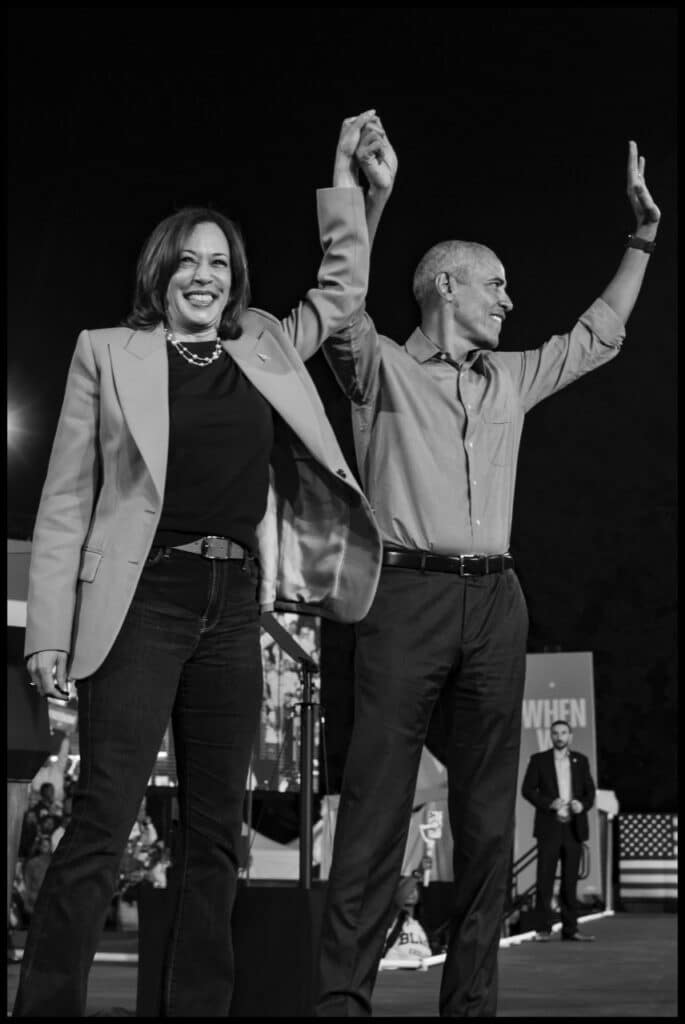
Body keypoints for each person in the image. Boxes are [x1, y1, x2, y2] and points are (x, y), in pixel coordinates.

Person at [13, 110, 385, 1018]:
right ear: (162, 274)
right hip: (142, 597)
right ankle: (45, 1005)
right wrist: (47, 633)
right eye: (191, 262)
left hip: (234, 602)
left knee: (217, 832)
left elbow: (338, 293)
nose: (206, 277)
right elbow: (65, 502)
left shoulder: (261, 347)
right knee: (104, 817)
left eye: (220, 264)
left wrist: (346, 178)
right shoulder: (107, 353)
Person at [315, 129, 661, 1016]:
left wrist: (641, 239)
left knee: (481, 822)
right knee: (374, 803)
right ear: (444, 286)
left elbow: (596, 335)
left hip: (494, 601)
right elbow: (340, 297)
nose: (510, 297)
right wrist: (370, 197)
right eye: (494, 282)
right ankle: (341, 1001)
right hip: (404, 596)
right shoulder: (377, 369)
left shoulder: (509, 378)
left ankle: (470, 1005)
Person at [521, 720, 597, 942]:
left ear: (570, 736)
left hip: (573, 828)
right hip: (549, 827)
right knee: (544, 879)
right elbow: (527, 789)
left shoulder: (580, 761)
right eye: (555, 733)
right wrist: (548, 803)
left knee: (570, 880)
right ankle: (543, 929)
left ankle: (570, 929)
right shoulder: (539, 760)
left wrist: (582, 805)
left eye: (563, 733)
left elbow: (589, 792)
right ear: (551, 736)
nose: (559, 736)